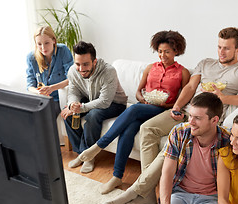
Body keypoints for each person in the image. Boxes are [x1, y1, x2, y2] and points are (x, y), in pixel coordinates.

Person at [103, 27, 238, 204]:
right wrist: (177, 106)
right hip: (187, 111)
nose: (221, 52)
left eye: (227, 48)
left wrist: (223, 98)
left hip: (206, 119)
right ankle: (149, 194)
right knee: (147, 129)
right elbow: (190, 87)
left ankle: (138, 191)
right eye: (219, 47)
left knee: (171, 147)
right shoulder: (205, 63)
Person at [73, 30, 190, 194]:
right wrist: (142, 98)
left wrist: (170, 104)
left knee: (133, 108)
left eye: (167, 52)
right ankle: (117, 176)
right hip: (145, 107)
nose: (162, 55)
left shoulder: (182, 72)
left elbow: (182, 97)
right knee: (128, 131)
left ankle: (99, 145)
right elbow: (138, 92)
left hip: (162, 110)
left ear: (176, 51)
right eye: (160, 51)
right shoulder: (150, 68)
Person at [63, 41, 128, 173]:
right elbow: (73, 92)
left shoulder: (108, 71)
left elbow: (104, 101)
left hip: (115, 103)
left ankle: (89, 157)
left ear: (94, 61)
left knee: (93, 115)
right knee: (68, 114)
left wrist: (81, 108)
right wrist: (72, 105)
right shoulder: (73, 71)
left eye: (86, 64)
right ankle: (81, 154)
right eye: (78, 64)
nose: (81, 69)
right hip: (91, 99)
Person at [26, 26, 73, 117]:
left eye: (46, 43)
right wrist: (38, 92)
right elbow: (30, 85)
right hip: (40, 99)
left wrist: (52, 88)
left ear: (54, 41)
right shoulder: (31, 58)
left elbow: (72, 78)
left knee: (46, 115)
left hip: (58, 98)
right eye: (39, 44)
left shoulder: (63, 50)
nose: (43, 47)